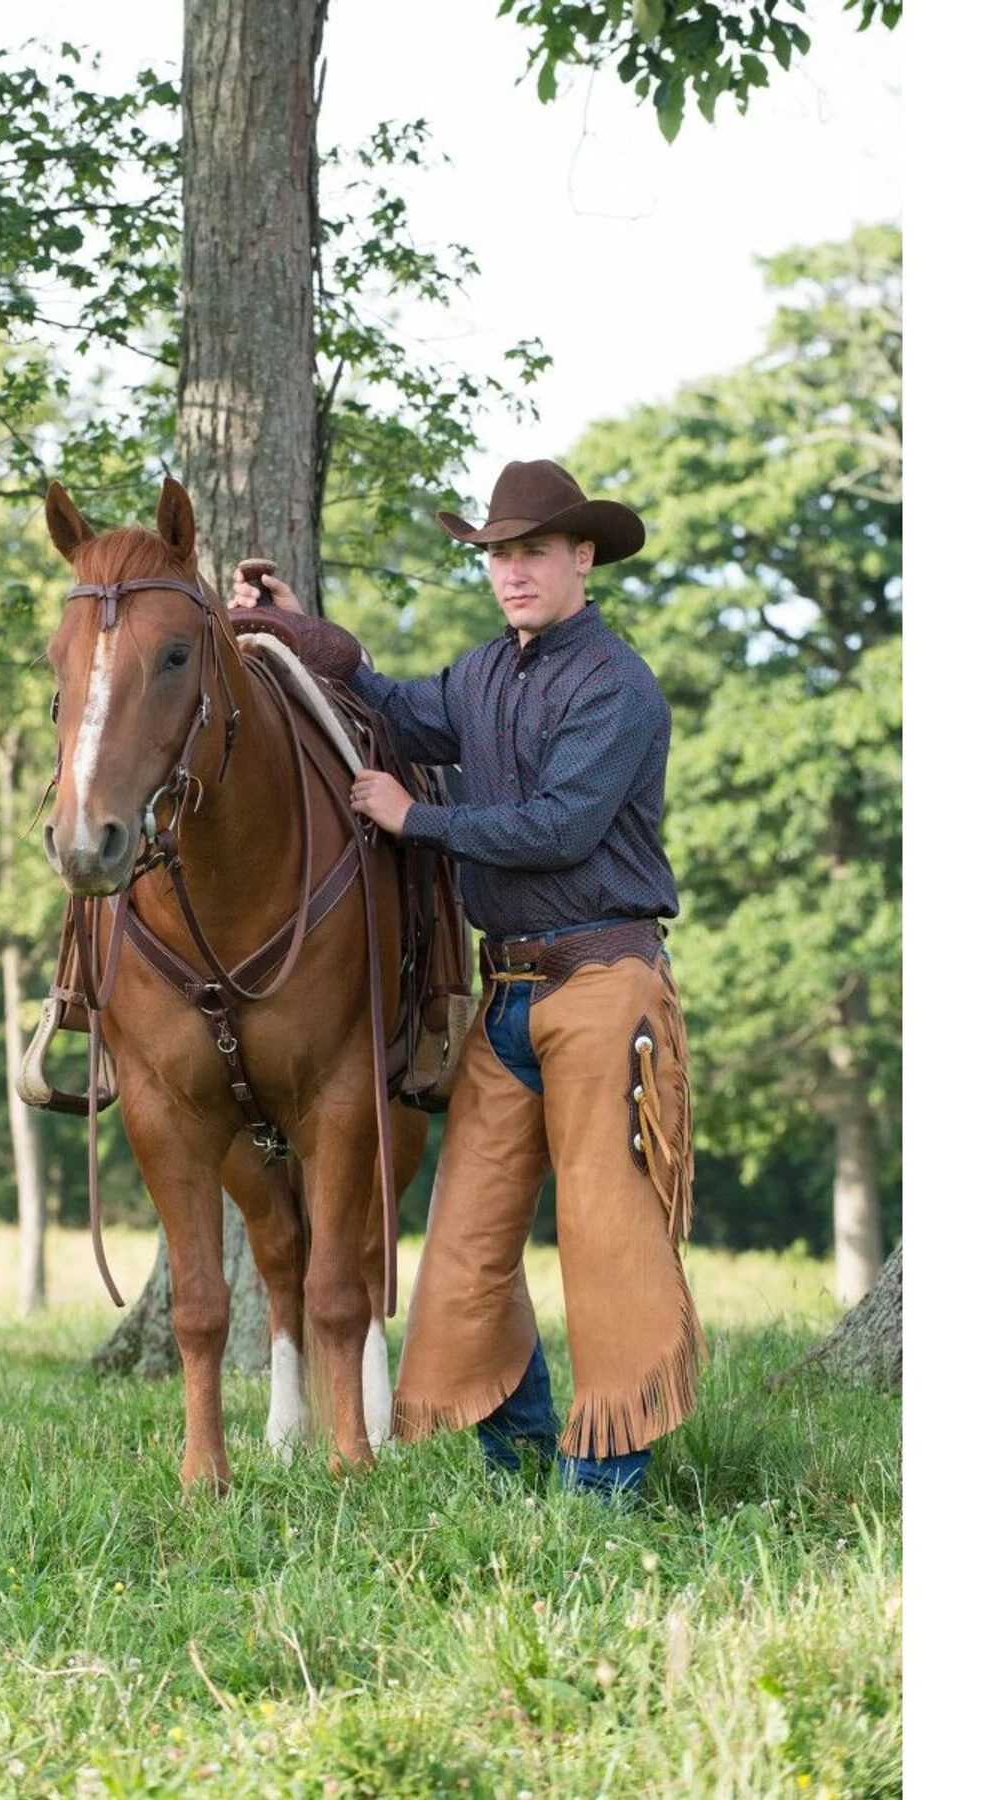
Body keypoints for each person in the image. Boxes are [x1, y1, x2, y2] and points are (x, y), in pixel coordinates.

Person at [229, 458, 702, 1501]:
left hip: (605, 982)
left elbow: (562, 827)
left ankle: (604, 1488)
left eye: (533, 551)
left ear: (583, 557)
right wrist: (301, 632)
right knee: (465, 1245)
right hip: (509, 995)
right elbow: (393, 704)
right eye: (497, 555)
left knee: (609, 1240)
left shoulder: (617, 685)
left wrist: (417, 818)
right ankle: (519, 1455)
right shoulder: (484, 676)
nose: (513, 572)